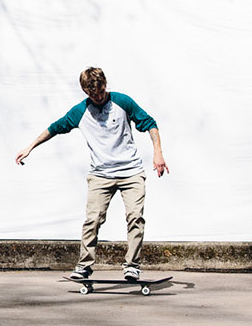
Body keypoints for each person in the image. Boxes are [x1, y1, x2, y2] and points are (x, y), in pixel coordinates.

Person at [15, 67, 168, 281]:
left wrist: (158, 153)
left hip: (131, 172)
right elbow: (55, 128)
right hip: (101, 175)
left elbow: (150, 124)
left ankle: (132, 265)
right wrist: (30, 146)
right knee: (92, 220)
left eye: (100, 92)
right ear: (85, 92)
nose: (97, 97)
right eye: (92, 94)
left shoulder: (122, 102)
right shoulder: (81, 111)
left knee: (135, 217)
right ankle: (84, 265)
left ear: (105, 85)